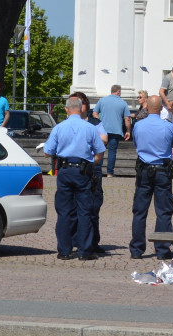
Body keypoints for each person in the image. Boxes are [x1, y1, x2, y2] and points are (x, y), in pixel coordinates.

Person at [42, 95, 106, 261]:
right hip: (83, 171)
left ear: (67, 109)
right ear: (81, 108)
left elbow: (47, 151)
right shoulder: (90, 128)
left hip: (64, 170)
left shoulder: (59, 128)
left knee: (64, 211)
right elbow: (100, 151)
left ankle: (64, 250)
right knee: (84, 210)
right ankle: (85, 251)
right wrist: (92, 163)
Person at [129, 95, 173, 260]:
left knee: (139, 211)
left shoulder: (138, 125)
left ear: (147, 108)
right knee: (164, 212)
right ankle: (162, 249)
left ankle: (137, 250)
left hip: (144, 169)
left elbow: (136, 144)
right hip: (162, 170)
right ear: (161, 109)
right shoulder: (168, 126)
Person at [70, 91, 107, 256]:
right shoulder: (69, 122)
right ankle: (75, 240)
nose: (80, 105)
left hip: (93, 166)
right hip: (74, 167)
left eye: (82, 102)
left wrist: (88, 135)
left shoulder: (94, 122)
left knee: (93, 205)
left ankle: (93, 241)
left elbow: (104, 139)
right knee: (72, 207)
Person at [94, 85, 132, 177]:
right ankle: (110, 173)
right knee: (112, 151)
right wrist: (128, 131)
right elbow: (127, 119)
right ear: (118, 92)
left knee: (100, 150)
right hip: (116, 131)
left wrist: (99, 123)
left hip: (102, 130)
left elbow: (94, 113)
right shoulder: (123, 103)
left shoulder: (102, 100)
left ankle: (97, 170)